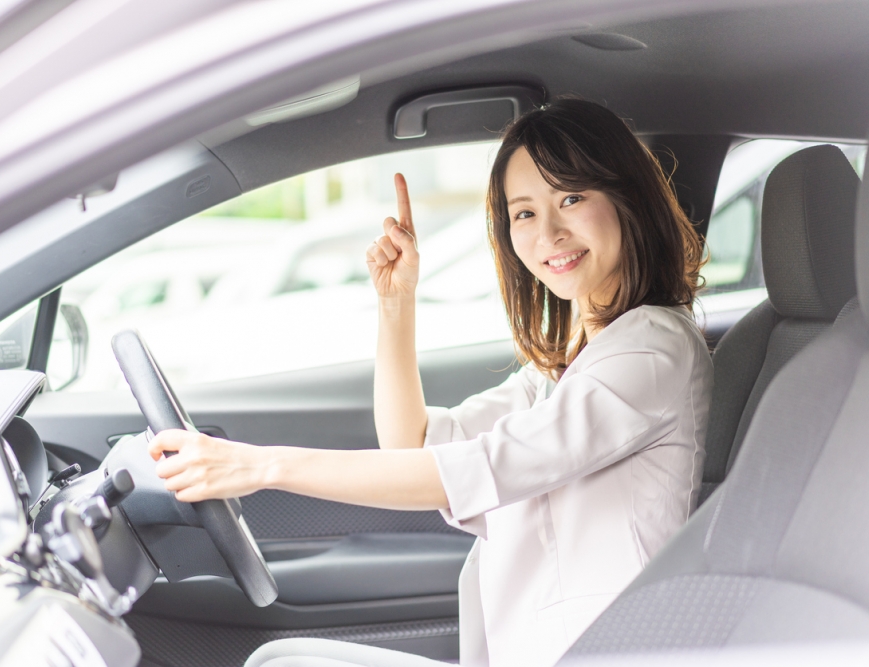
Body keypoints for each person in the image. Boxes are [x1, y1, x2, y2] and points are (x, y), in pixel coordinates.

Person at [148, 98, 713, 667]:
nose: (549, 233)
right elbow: (414, 448)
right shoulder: (564, 363)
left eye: (571, 197)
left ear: (627, 199)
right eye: (524, 213)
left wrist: (258, 466)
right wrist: (397, 303)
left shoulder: (652, 349)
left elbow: (476, 469)